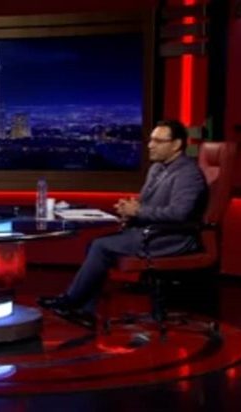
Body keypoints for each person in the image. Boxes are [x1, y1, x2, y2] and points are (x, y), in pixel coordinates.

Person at [38, 120, 208, 330]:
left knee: (100, 246)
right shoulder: (157, 168)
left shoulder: (188, 173)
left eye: (158, 141)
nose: (150, 145)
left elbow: (180, 213)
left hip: (172, 238)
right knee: (96, 244)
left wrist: (138, 212)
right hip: (149, 231)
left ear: (176, 145)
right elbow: (144, 204)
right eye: (151, 140)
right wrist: (129, 210)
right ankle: (83, 310)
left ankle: (72, 302)